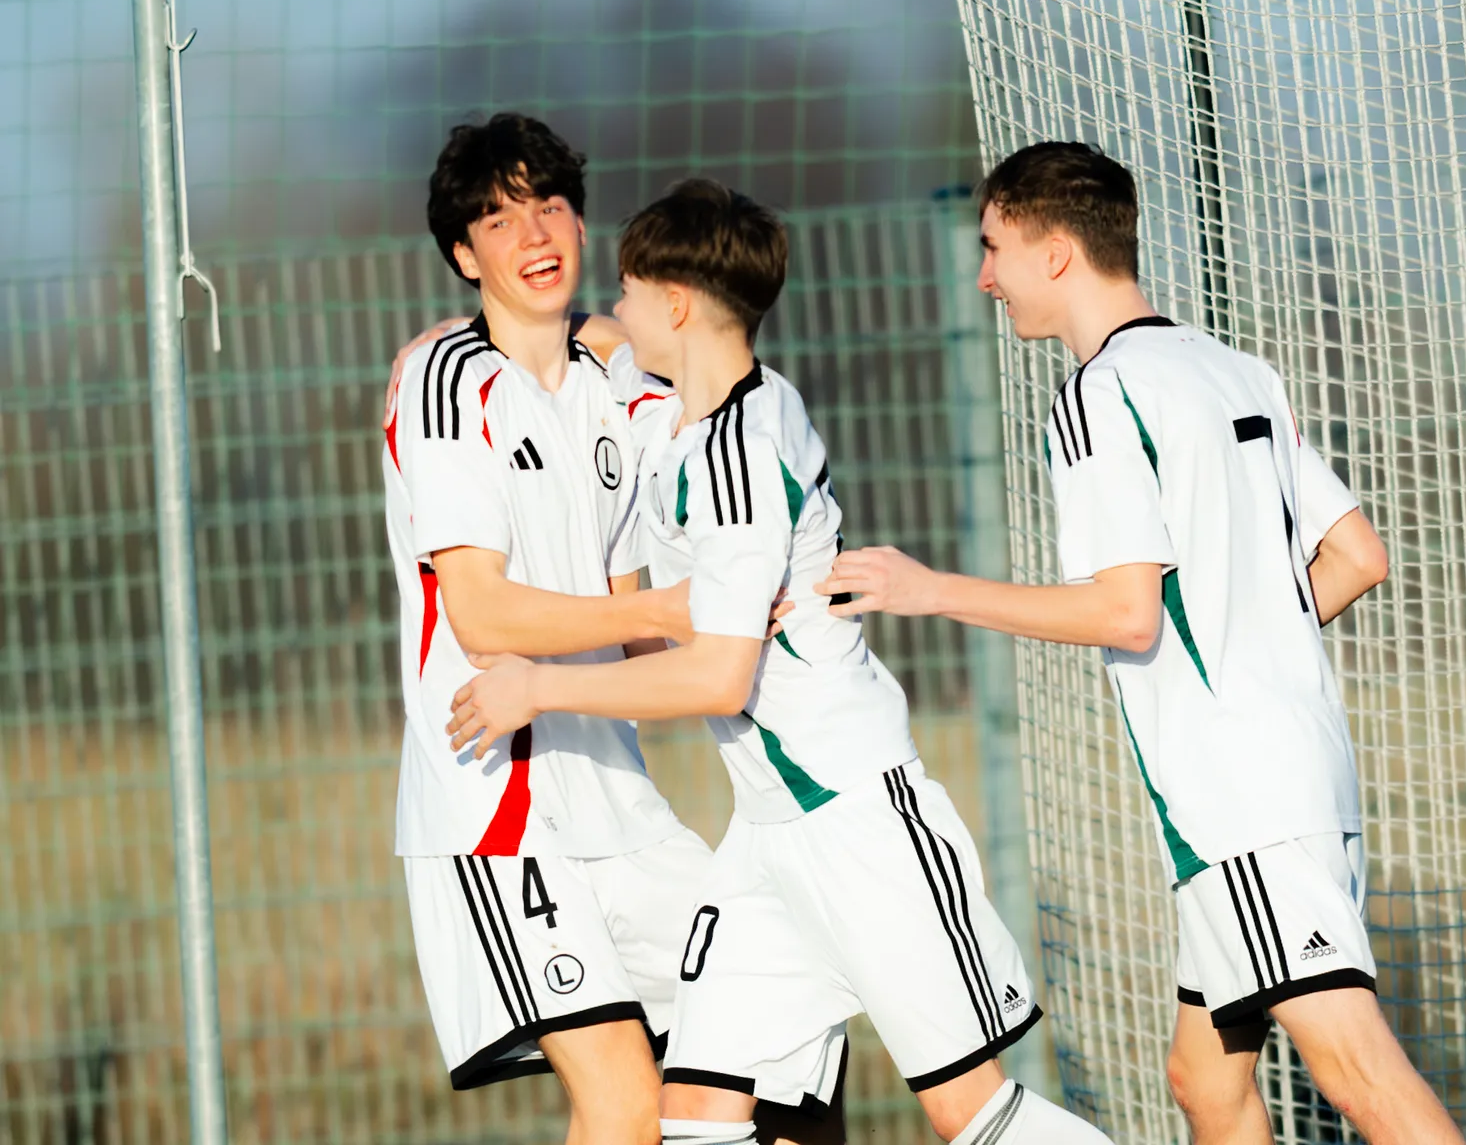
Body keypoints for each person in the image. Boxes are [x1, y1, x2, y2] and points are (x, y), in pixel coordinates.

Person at [814, 142, 1466, 1145]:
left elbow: (1126, 612)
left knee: (1361, 1077)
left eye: (993, 248)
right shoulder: (1232, 366)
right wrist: (1243, 634)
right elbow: (1358, 554)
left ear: (1057, 253)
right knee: (1205, 1080)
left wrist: (930, 588)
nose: (983, 276)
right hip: (1303, 772)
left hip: (1239, 798)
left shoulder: (1099, 395)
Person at [449, 179, 1114, 1145]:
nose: (618, 310)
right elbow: (602, 343)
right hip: (766, 839)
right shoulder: (687, 409)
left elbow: (718, 675)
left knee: (973, 1118)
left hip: (858, 824)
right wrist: (469, 334)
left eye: (632, 293)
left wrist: (536, 684)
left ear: (675, 306)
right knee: (697, 1116)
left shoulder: (742, 456)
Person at [385, 112, 718, 1145]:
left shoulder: (614, 385)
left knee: (779, 1035)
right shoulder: (445, 385)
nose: (532, 231)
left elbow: (639, 638)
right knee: (622, 1102)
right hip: (501, 809)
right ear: (462, 253)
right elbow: (482, 615)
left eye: (550, 203)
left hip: (618, 794)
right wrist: (661, 608)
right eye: (496, 216)